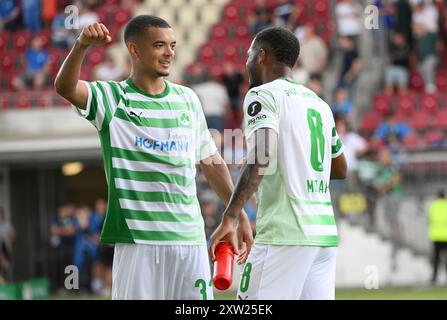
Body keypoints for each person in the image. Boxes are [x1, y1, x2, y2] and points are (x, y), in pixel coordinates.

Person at [54, 15, 253, 300]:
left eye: (172, 45)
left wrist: (238, 213)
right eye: (159, 45)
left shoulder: (187, 98)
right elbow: (65, 87)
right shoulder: (112, 97)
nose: (169, 52)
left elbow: (211, 161)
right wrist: (82, 44)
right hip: (139, 243)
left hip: (190, 241)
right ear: (134, 50)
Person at [209, 26, 347, 300]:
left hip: (285, 235)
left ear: (261, 56)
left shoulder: (263, 95)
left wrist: (231, 216)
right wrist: (298, 163)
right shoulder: (318, 103)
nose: (246, 62)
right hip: (323, 238)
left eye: (249, 55)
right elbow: (341, 168)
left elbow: (261, 158)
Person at [427, 190, 447, 285]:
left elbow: (429, 220)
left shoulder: (433, 206)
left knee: (436, 259)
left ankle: (434, 278)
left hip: (436, 236)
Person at [0, 207, 16, 284]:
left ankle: (7, 284)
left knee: (6, 268)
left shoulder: (7, 225)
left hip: (5, 250)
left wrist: (5, 237)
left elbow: (14, 237)